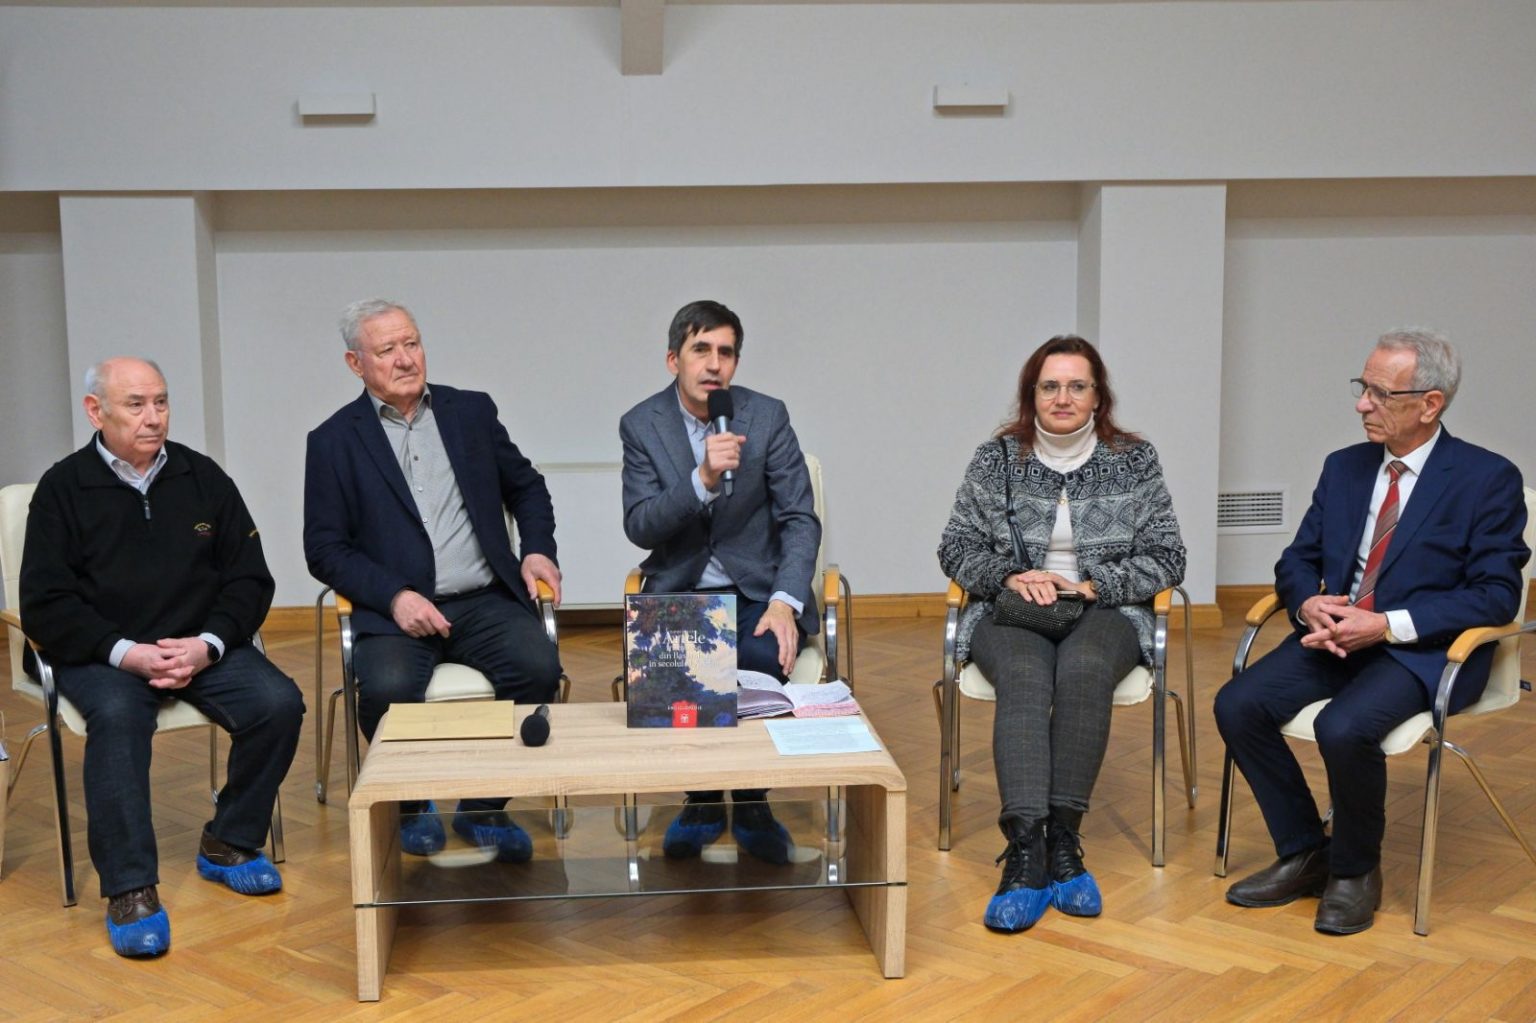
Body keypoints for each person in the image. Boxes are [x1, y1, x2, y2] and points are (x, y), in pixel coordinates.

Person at [1215, 328, 1527, 936]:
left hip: (1427, 653)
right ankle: (1306, 851)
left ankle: (1355, 871)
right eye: (1363, 387)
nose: (1362, 404)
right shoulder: (1345, 467)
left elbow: (1496, 595)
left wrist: (1385, 625)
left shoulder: (1486, 478)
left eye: (1381, 394)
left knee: (1343, 726)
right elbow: (1298, 558)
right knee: (1238, 704)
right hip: (1337, 637)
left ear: (1430, 403)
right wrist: (1308, 604)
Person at [19, 357, 303, 959]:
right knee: (120, 720)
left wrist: (208, 645)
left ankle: (229, 841)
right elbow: (45, 603)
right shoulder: (62, 489)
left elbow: (250, 579)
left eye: (161, 402)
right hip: (102, 653)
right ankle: (130, 888)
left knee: (278, 704)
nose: (153, 418)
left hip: (196, 646)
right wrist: (127, 654)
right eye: (136, 405)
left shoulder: (203, 478)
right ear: (95, 411)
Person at [937, 334, 1186, 933]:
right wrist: (1009, 575)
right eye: (1050, 386)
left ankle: (1065, 841)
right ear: (1032, 395)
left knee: (1084, 671)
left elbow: (1168, 556)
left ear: (1099, 396)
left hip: (1106, 608)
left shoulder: (1134, 460)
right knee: (1025, 676)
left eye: (1077, 386)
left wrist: (1094, 585)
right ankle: (1026, 850)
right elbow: (955, 546)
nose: (1063, 398)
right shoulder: (996, 459)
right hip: (1013, 608)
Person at [304, 299, 563, 863]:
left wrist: (537, 549)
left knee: (539, 669)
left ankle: (484, 805)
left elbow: (526, 487)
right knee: (387, 689)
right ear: (356, 363)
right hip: (394, 613)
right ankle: (412, 803)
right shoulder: (332, 440)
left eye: (412, 343)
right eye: (387, 350)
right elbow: (324, 549)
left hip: (483, 598)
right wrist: (394, 597)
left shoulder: (470, 412)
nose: (405, 359)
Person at [619, 299, 822, 864]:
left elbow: (799, 519)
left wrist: (784, 601)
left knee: (758, 661)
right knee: (686, 671)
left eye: (725, 353)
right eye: (700, 350)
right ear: (673, 360)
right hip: (682, 591)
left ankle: (753, 801)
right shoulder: (641, 424)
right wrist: (702, 478)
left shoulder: (766, 416)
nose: (714, 364)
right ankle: (703, 799)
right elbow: (640, 524)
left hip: (757, 591)